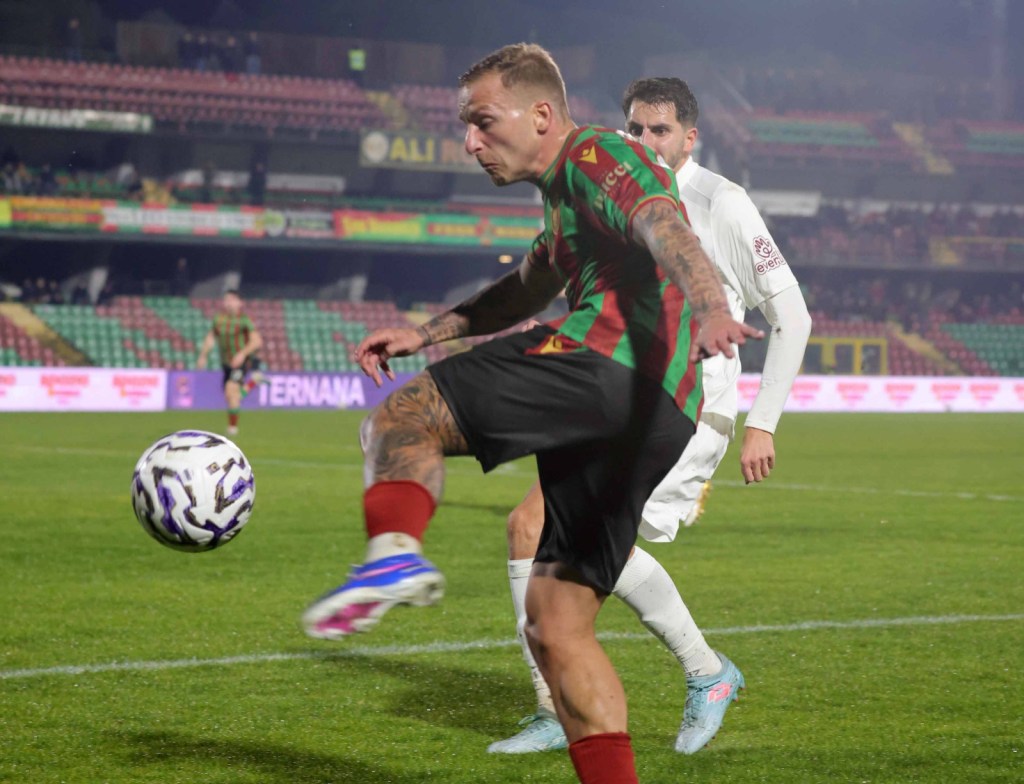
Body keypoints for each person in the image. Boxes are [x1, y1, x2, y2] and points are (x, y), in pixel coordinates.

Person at [301, 44, 761, 784]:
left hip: (604, 365)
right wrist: (427, 333)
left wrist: (710, 305)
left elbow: (665, 225)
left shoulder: (598, 155)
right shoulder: (565, 198)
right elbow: (523, 288)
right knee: (557, 625)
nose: (470, 142)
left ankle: (392, 552)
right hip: (658, 410)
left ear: (542, 114)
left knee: (398, 419)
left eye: (483, 122)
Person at [489, 76, 813, 756]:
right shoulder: (611, 189)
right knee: (527, 526)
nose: (642, 142)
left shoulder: (722, 203)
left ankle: (703, 672)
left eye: (659, 131)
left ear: (690, 137)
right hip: (618, 391)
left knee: (580, 542)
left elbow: (792, 315)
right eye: (634, 129)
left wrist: (763, 422)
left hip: (690, 405)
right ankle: (556, 706)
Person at [196, 290, 265, 436]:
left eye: (233, 300)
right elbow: (210, 337)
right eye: (227, 300)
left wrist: (242, 353)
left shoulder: (245, 320)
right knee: (232, 396)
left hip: (242, 362)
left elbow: (257, 341)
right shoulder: (219, 320)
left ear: (240, 302)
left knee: (231, 388)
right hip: (226, 363)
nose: (229, 303)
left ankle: (232, 430)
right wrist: (203, 356)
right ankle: (253, 382)